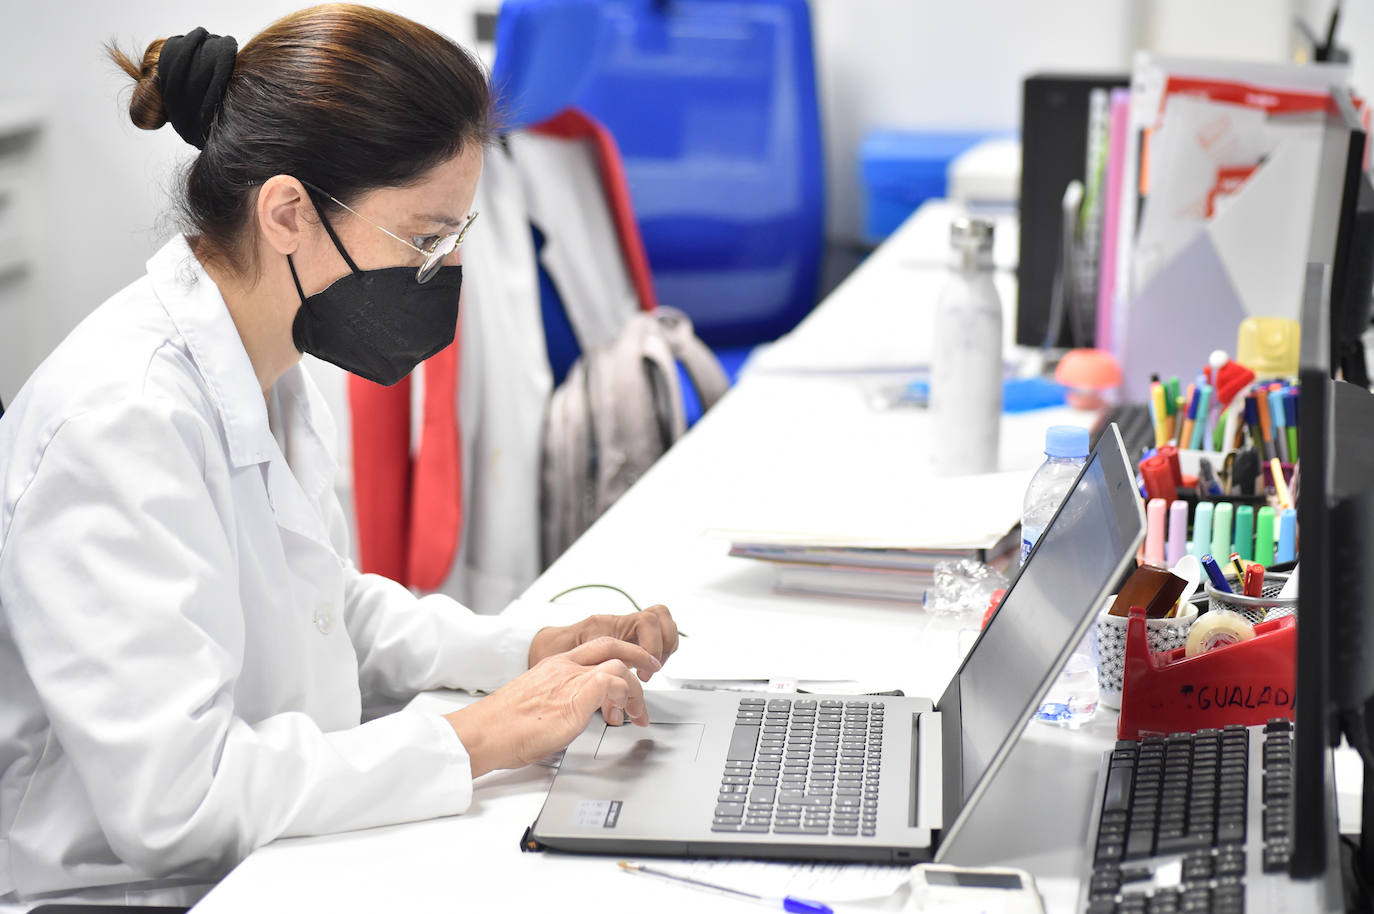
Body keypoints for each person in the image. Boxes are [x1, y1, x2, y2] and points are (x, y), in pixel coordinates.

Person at [0, 6, 679, 909]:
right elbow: (175, 803)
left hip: (267, 860)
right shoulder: (122, 420)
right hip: (124, 893)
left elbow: (327, 609)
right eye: (424, 240)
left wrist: (526, 650)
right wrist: (478, 737)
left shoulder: (265, 357)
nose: (442, 272)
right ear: (287, 212)